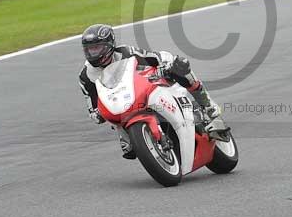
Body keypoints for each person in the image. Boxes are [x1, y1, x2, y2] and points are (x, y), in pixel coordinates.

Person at [78, 24, 228, 159]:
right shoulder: (85, 76)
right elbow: (92, 108)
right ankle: (136, 139)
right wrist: (97, 114)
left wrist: (168, 65)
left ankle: (209, 107)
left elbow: (154, 57)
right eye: (89, 50)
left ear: (109, 45)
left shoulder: (125, 52)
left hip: (144, 86)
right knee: (130, 149)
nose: (93, 53)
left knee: (180, 67)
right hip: (120, 106)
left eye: (97, 48)